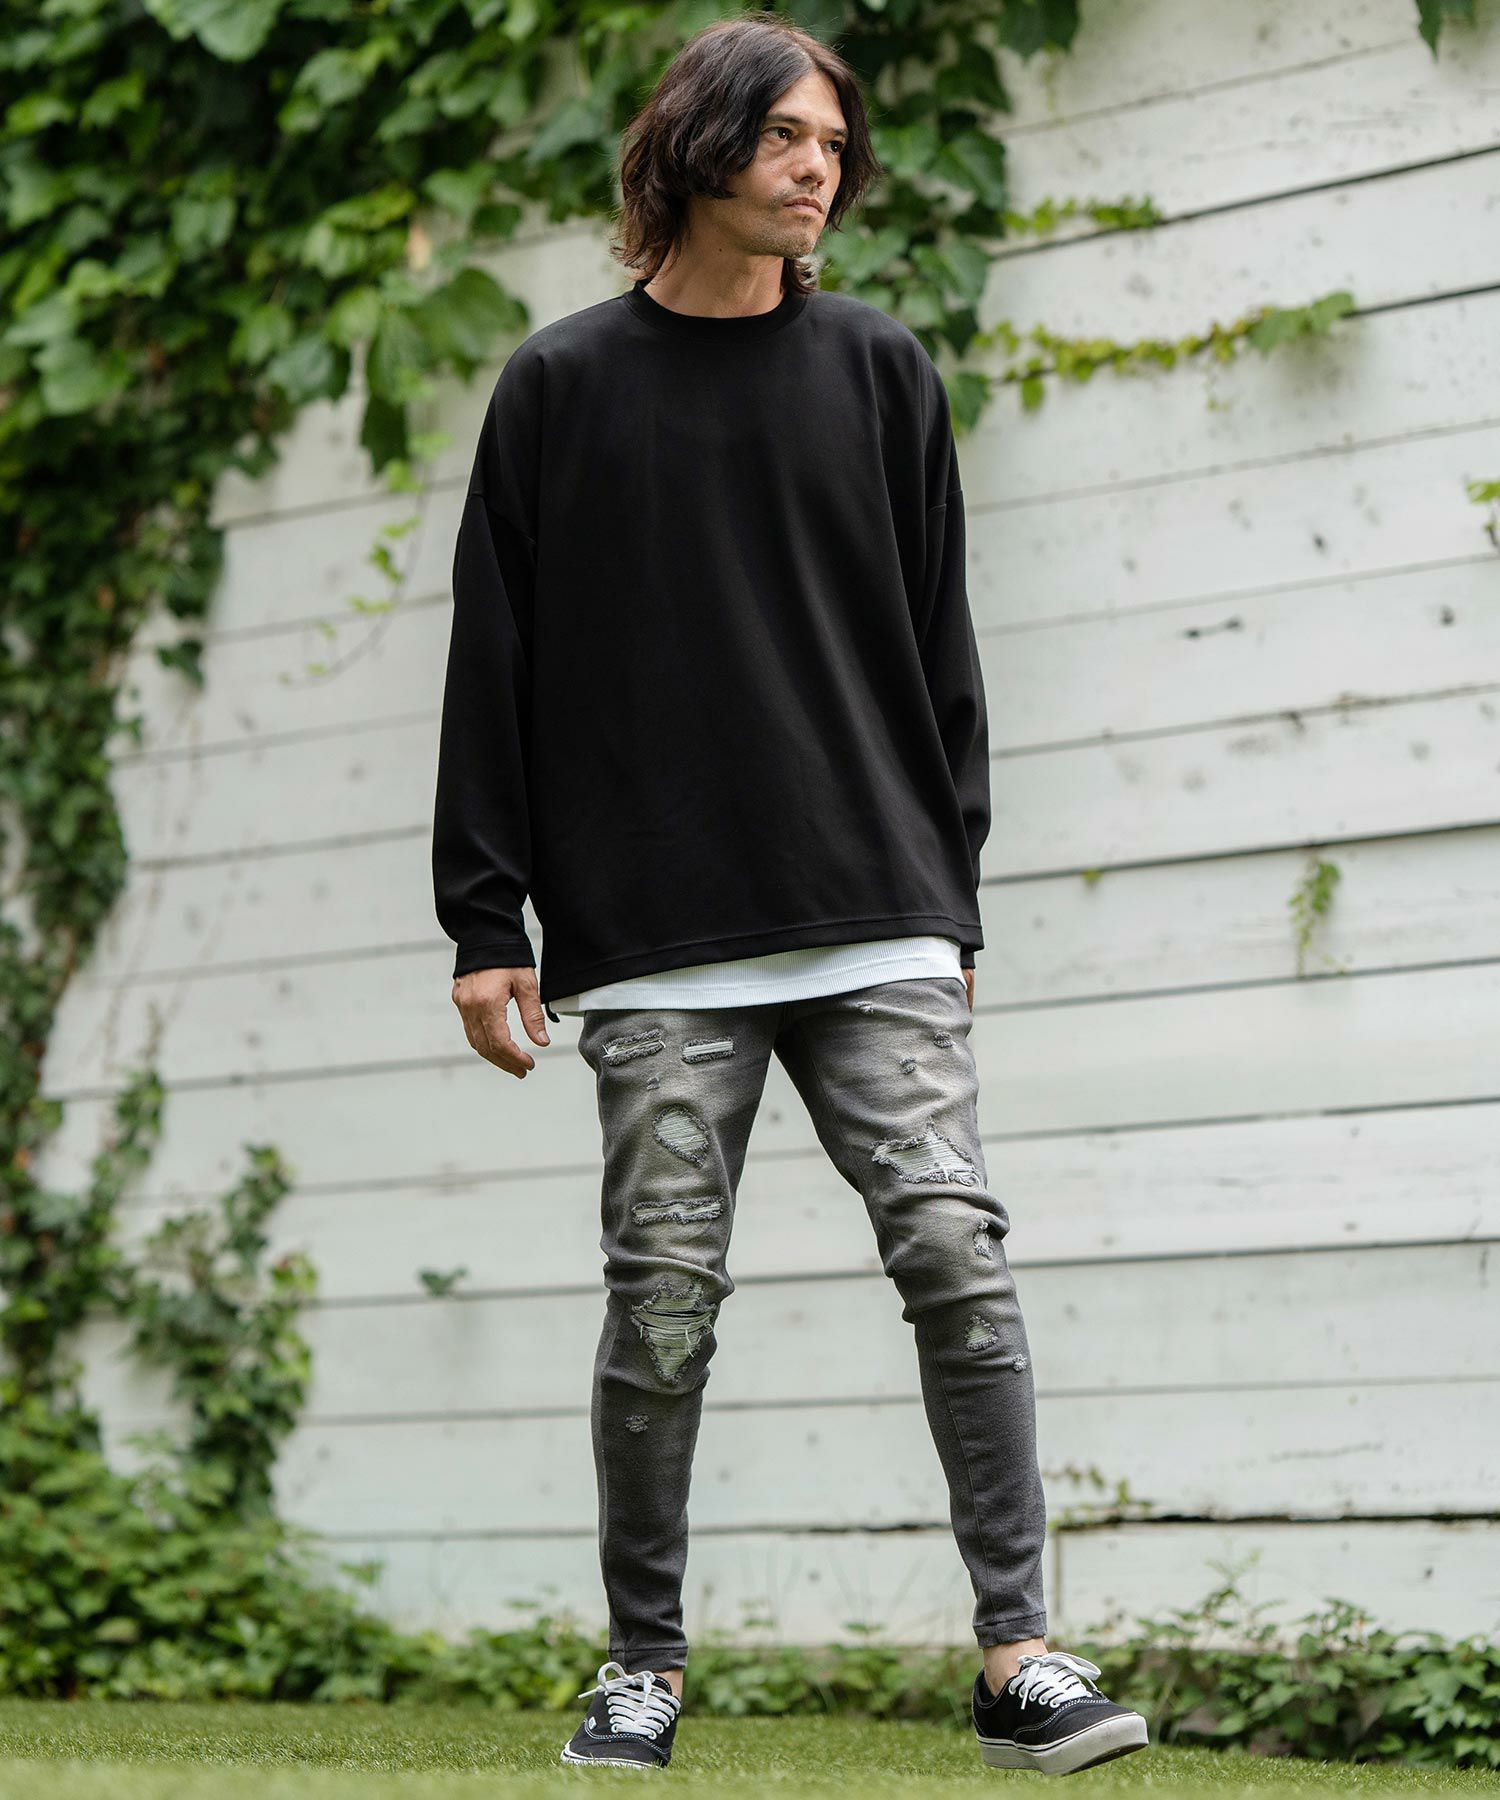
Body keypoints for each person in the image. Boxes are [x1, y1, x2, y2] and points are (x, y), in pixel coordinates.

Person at [431, 8, 1149, 1776]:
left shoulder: (882, 369)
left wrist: (953, 894)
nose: (817, 167)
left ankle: (1019, 1654)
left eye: (833, 143)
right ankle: (643, 1664)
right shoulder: (560, 387)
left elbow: (942, 648)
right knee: (665, 1298)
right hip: (658, 932)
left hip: (879, 902)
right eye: (785, 137)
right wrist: (484, 919)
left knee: (956, 1254)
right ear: (696, 147)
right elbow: (492, 664)